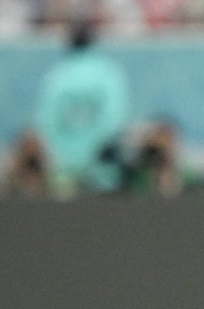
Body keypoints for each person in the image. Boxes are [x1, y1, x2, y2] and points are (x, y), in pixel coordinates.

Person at [34, 23, 131, 195]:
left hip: (64, 168)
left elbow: (46, 120)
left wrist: (63, 154)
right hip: (102, 170)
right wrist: (96, 148)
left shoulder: (57, 76)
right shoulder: (106, 73)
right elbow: (115, 117)